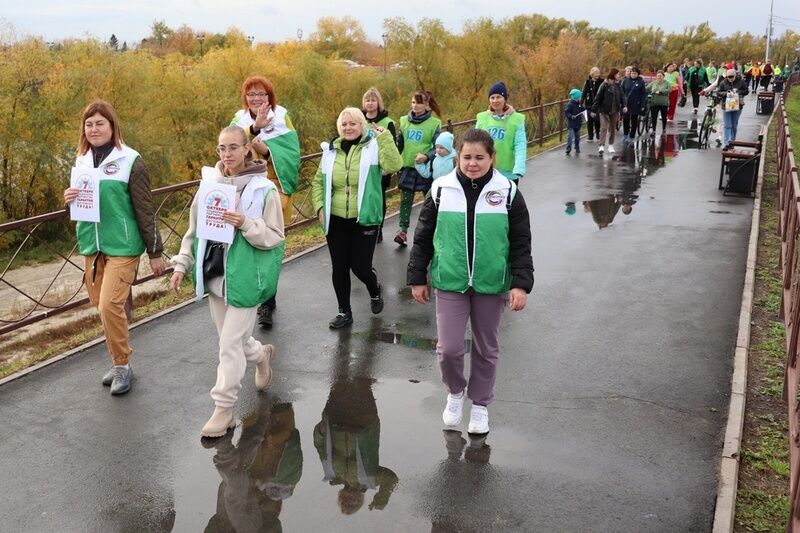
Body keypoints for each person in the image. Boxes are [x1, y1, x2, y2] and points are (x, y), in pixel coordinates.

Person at [407, 128, 534, 435]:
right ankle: (455, 392)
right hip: (451, 279)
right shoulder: (440, 189)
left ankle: (480, 405)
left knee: (486, 347)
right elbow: (423, 237)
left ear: (492, 158)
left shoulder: (507, 192)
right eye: (466, 157)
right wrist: (417, 276)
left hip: (492, 283)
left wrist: (520, 283)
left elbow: (520, 242)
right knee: (449, 349)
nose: (472, 163)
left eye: (480, 157)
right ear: (457, 157)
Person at [170, 125, 285, 437]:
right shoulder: (209, 186)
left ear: (247, 148)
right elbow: (193, 232)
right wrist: (182, 263)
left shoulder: (264, 190)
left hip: (247, 277)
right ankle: (262, 356)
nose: (228, 154)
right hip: (216, 274)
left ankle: (224, 411)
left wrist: (246, 223)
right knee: (233, 341)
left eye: (234, 147)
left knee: (229, 344)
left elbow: (275, 236)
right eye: (222, 148)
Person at [63, 100, 165, 396]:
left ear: (112, 126)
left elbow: (145, 209)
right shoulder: (81, 159)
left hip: (123, 245)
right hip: (92, 246)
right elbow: (80, 203)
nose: (94, 129)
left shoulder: (131, 160)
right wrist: (68, 198)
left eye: (100, 123)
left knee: (109, 305)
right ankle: (118, 359)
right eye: (89, 124)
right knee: (103, 306)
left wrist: (155, 252)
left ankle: (123, 365)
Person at [311, 107, 403, 328]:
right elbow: (317, 183)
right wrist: (320, 208)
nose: (348, 127)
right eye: (344, 124)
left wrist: (386, 139)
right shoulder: (330, 151)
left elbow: (394, 165)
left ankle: (375, 290)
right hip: (336, 219)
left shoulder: (373, 146)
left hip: (365, 217)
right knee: (340, 267)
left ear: (362, 125)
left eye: (353, 123)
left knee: (360, 267)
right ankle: (344, 312)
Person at [230, 76, 300, 329]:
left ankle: (267, 303)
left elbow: (292, 153)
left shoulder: (282, 117)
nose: (257, 99)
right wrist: (255, 129)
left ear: (270, 97)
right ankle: (251, 296)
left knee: (269, 246)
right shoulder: (239, 121)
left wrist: (268, 151)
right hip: (246, 191)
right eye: (251, 95)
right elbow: (229, 145)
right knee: (247, 246)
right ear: (245, 98)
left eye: (262, 94)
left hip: (274, 191)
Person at [394, 91, 443, 247]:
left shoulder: (434, 123)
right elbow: (398, 145)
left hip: (425, 168)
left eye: (419, 103)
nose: (416, 106)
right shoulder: (403, 121)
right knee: (405, 201)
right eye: (413, 102)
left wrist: (427, 156)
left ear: (427, 104)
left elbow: (438, 148)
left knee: (429, 201)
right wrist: (395, 162)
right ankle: (402, 232)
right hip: (408, 166)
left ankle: (431, 231)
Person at [362, 87, 398, 244]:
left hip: (380, 166)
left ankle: (379, 228)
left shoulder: (387, 122)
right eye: (367, 100)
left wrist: (386, 168)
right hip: (363, 165)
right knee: (364, 195)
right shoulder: (359, 120)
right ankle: (364, 226)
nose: (370, 103)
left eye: (373, 100)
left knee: (378, 196)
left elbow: (392, 145)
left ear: (378, 102)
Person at [475, 81, 528, 182]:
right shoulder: (482, 118)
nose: (495, 100)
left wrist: (519, 167)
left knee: (508, 198)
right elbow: (474, 142)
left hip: (508, 172)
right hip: (486, 170)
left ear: (505, 99)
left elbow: (520, 144)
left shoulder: (516, 119)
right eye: (492, 97)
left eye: (498, 97)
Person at [713, 68, 750, 148]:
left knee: (734, 125)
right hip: (726, 106)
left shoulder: (741, 81)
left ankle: (732, 141)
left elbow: (746, 91)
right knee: (727, 125)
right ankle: (727, 143)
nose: (730, 78)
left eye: (731, 77)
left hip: (737, 106)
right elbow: (718, 92)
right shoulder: (723, 82)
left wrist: (738, 92)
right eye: (728, 77)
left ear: (735, 75)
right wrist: (726, 93)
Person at [591, 68, 623, 155]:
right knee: (604, 127)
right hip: (604, 110)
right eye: (617, 74)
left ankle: (611, 145)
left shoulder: (618, 85)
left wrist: (624, 106)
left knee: (612, 128)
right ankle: (601, 145)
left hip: (614, 110)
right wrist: (594, 110)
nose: (619, 76)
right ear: (613, 75)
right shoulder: (604, 85)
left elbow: (622, 96)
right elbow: (598, 97)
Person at [622, 67, 646, 140]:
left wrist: (642, 105)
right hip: (626, 103)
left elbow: (643, 94)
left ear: (638, 74)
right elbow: (622, 91)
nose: (633, 75)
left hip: (636, 103)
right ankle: (625, 134)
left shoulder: (641, 82)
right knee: (625, 119)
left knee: (634, 120)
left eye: (635, 73)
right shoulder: (625, 81)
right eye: (632, 73)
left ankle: (632, 136)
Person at [646, 70, 671, 137]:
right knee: (654, 117)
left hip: (663, 103)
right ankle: (654, 130)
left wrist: (661, 91)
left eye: (660, 76)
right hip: (654, 102)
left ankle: (664, 129)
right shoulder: (653, 82)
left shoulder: (667, 83)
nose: (659, 77)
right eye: (658, 76)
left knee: (664, 117)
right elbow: (647, 89)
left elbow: (669, 90)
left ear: (663, 76)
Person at [581, 67, 603, 142]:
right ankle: (590, 136)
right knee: (589, 121)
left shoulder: (601, 82)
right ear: (592, 74)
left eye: (598, 73)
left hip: (598, 105)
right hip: (589, 104)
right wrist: (581, 102)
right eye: (596, 73)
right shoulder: (587, 82)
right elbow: (583, 93)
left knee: (597, 120)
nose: (598, 75)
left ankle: (597, 133)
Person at [565, 88, 584, 154]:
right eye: (579, 97)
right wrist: (571, 116)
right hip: (571, 123)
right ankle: (568, 148)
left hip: (578, 123)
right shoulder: (570, 104)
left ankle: (577, 147)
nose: (580, 98)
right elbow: (567, 112)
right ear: (576, 97)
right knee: (570, 136)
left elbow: (583, 110)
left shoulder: (579, 104)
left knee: (577, 137)